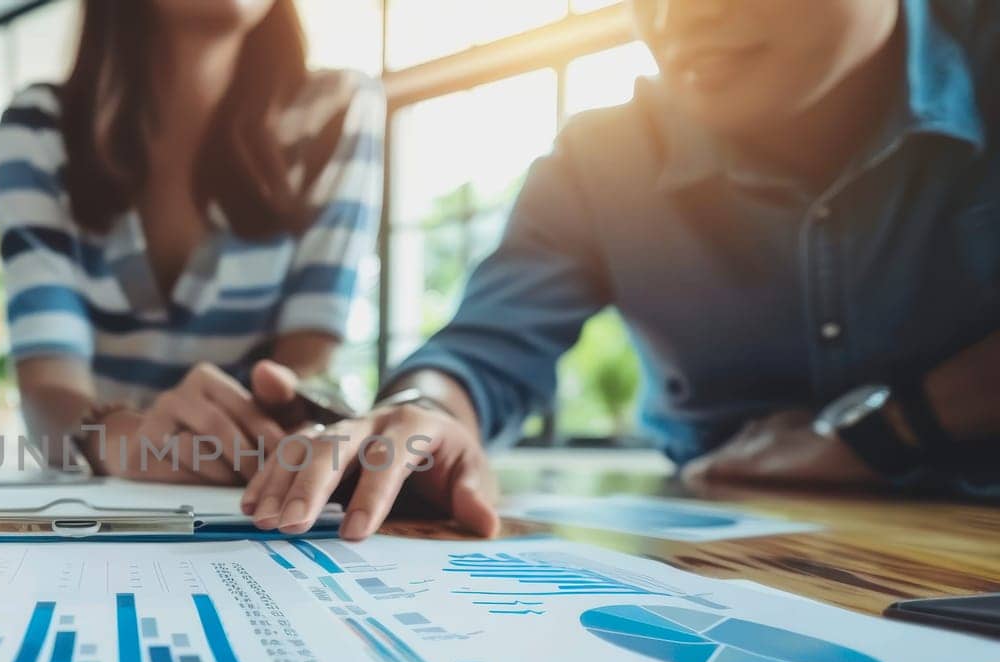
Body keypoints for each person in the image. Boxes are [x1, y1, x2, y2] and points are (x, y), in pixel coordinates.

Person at [242, 0, 1000, 541]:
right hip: (727, 576)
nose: (676, 18)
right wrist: (422, 413)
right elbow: (477, 354)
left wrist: (888, 428)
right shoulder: (598, 160)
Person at [0, 0, 385, 484]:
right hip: (104, 497)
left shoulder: (339, 109)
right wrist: (119, 440)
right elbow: (46, 386)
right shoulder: (38, 125)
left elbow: (308, 360)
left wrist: (257, 437)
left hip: (252, 490)